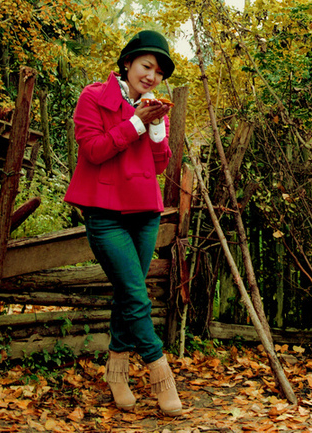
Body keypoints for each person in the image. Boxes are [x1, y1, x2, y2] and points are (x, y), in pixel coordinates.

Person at [64, 30, 182, 416]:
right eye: (147, 66)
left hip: (145, 212)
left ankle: (116, 373)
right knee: (135, 293)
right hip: (104, 212)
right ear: (128, 62)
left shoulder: (152, 105)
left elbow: (160, 164)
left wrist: (155, 127)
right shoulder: (93, 97)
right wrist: (135, 122)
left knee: (126, 293)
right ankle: (160, 373)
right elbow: (94, 151)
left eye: (159, 72)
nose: (152, 76)